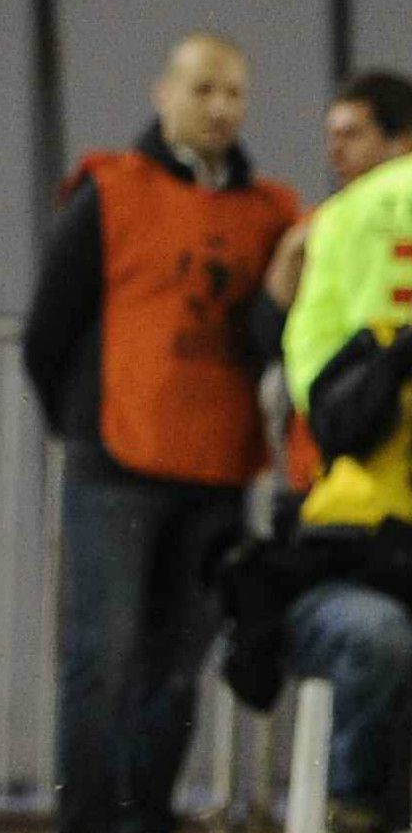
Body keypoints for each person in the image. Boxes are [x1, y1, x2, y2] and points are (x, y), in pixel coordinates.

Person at [22, 32, 300, 833]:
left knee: (178, 670)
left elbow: (272, 330)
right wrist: (81, 430)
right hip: (114, 466)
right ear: (164, 93)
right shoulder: (109, 192)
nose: (221, 107)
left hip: (218, 471)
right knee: (98, 663)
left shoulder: (273, 212)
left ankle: (146, 816)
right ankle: (88, 824)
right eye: (205, 89)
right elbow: (50, 331)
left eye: (235, 93)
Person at [268, 141, 412, 833]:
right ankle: (350, 807)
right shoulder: (351, 353)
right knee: (378, 632)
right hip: (340, 574)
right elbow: (344, 427)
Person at [255, 72, 412, 498]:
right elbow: (267, 335)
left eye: (352, 134)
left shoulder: (328, 223)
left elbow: (277, 341)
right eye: (331, 136)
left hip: (345, 460)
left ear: (402, 140)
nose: (335, 150)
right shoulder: (318, 224)